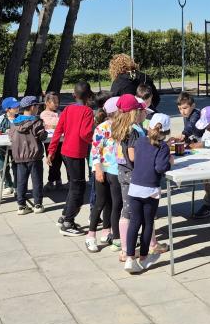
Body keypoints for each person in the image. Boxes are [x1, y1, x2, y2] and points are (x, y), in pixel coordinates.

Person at [124, 112, 173, 273]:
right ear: (166, 132)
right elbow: (160, 167)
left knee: (134, 222)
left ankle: (130, 258)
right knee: (148, 223)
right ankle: (144, 258)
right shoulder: (163, 147)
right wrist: (169, 162)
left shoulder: (140, 141)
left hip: (135, 186)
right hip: (151, 188)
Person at [49, 82, 96, 237]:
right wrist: (96, 139)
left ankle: (64, 216)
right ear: (89, 96)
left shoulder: (68, 109)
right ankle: (68, 222)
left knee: (74, 186)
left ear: (74, 95)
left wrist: (51, 151)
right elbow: (85, 134)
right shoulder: (88, 112)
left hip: (65, 152)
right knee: (78, 188)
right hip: (76, 153)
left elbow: (58, 131)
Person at [111, 94, 147, 260]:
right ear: (133, 111)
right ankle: (128, 250)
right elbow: (133, 156)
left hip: (121, 172)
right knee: (135, 212)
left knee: (125, 211)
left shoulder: (118, 127)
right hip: (133, 174)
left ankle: (124, 249)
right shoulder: (132, 131)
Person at [86, 101, 125, 252]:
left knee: (113, 203)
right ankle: (90, 236)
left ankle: (108, 232)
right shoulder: (102, 127)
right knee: (100, 202)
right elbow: (95, 150)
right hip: (103, 169)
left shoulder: (122, 126)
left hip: (116, 170)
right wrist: (98, 169)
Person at [9, 95, 47, 215]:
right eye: (37, 106)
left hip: (19, 157)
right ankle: (38, 204)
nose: (38, 109)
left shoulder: (14, 122)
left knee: (21, 181)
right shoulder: (37, 121)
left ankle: (21, 206)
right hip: (34, 156)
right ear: (32, 107)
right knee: (37, 181)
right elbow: (42, 136)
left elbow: (11, 137)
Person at [39, 92, 63, 190]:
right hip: (50, 141)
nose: (57, 104)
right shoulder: (43, 114)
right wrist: (58, 125)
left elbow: (61, 124)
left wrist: (56, 125)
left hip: (61, 139)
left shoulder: (59, 112)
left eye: (58, 102)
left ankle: (57, 180)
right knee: (52, 160)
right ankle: (52, 181)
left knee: (59, 160)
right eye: (54, 102)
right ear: (47, 103)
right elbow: (48, 125)